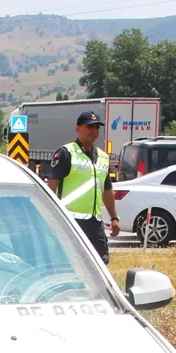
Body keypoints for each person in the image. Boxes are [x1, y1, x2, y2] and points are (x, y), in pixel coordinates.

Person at [47, 110, 120, 262]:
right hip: (69, 221)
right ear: (78, 128)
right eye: (89, 127)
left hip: (94, 222)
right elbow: (52, 186)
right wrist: (50, 217)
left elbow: (107, 190)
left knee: (101, 262)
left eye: (96, 128)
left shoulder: (103, 157)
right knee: (69, 261)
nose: (94, 131)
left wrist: (114, 217)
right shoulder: (66, 153)